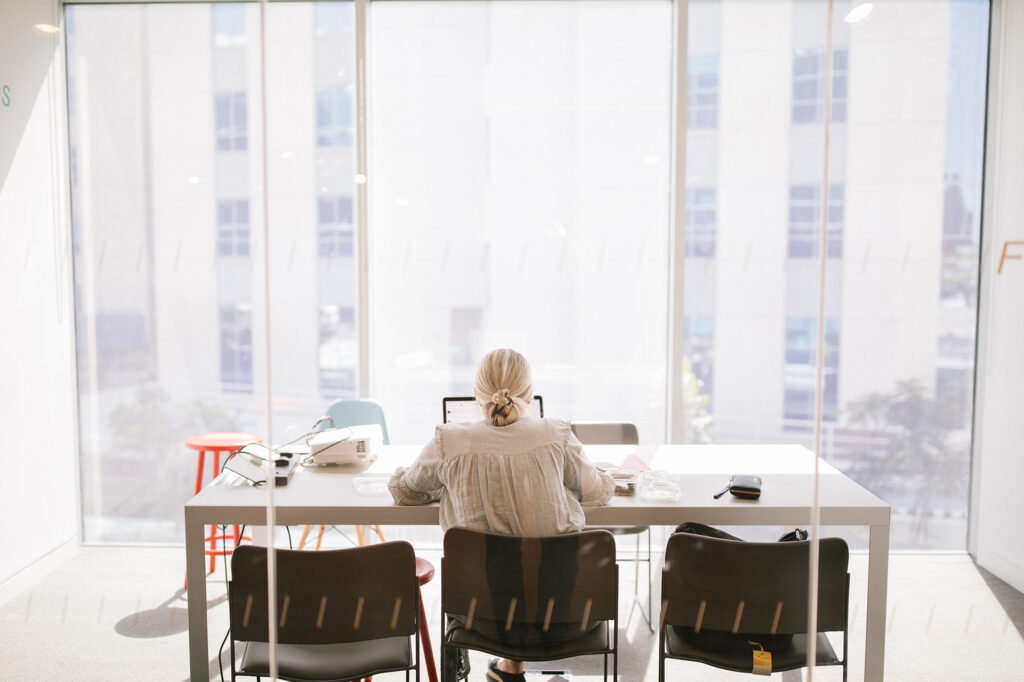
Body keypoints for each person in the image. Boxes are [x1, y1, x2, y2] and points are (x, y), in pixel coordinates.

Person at [388, 348, 615, 682]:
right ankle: (511, 668)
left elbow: (405, 492)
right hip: (570, 615)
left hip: (481, 618)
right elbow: (598, 492)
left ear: (477, 395)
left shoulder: (448, 441)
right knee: (531, 566)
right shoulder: (557, 434)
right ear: (528, 393)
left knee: (506, 574)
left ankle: (510, 667)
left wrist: (447, 484)